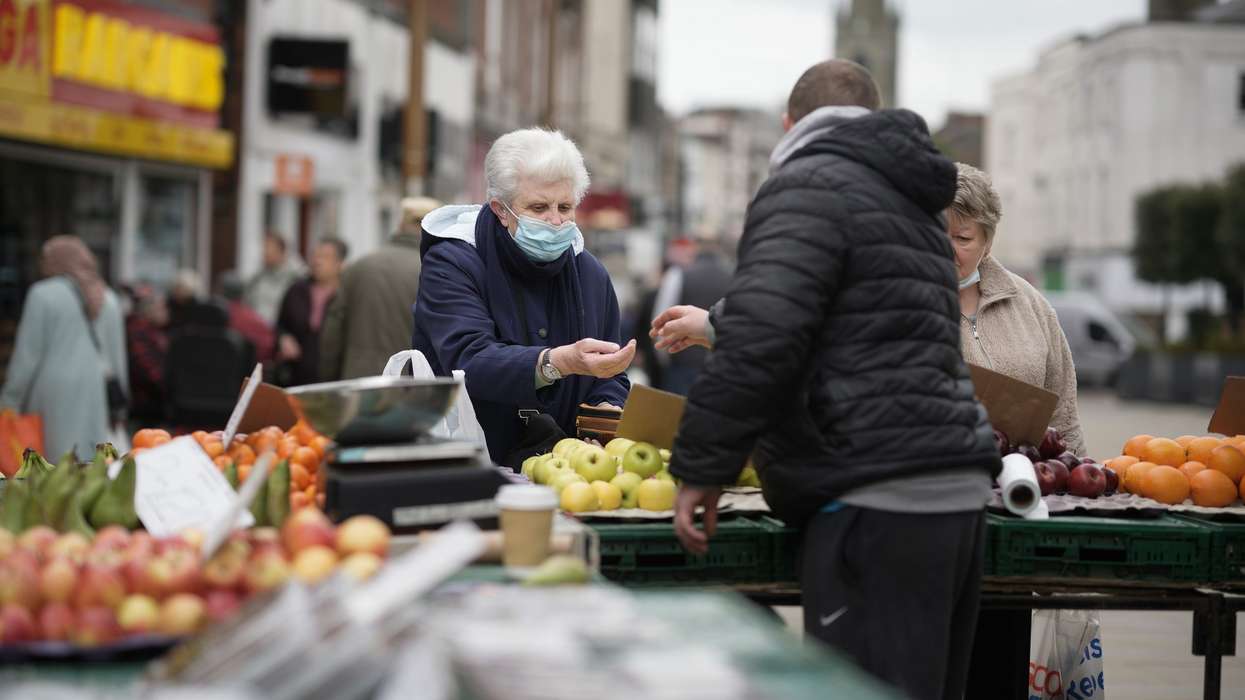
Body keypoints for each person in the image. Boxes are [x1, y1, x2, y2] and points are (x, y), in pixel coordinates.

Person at [654, 60, 1000, 700]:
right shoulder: (917, 205)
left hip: (873, 496)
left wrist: (702, 467)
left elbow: (766, 337)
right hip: (954, 494)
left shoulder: (806, 184)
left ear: (791, 125)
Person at [413, 128, 634, 467]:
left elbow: (610, 375)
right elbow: (468, 360)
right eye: (539, 207)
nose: (556, 221)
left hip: (568, 471)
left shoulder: (591, 274)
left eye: (565, 206)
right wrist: (558, 362)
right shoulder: (453, 263)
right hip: (468, 465)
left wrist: (604, 411)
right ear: (501, 210)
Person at [949, 163, 1086, 455]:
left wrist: (1076, 482)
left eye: (962, 238)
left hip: (1028, 486)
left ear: (988, 243)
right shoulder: (901, 304)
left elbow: (1065, 418)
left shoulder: (1031, 304)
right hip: (943, 485)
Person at [1, 237, 129, 458]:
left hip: (52, 393)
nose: (42, 264)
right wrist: (121, 405)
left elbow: (27, 357)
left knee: (52, 466)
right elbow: (117, 359)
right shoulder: (108, 298)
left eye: (45, 258)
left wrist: (9, 401)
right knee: (92, 463)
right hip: (96, 390)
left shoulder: (42, 294)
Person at [320, 196, 441, 381]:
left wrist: (328, 377)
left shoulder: (359, 266)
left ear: (401, 224)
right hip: (412, 384)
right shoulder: (436, 272)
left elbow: (333, 333)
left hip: (359, 381)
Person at [650, 237, 733, 395]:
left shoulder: (679, 274)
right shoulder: (733, 275)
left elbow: (662, 317)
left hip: (682, 363)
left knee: (676, 417)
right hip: (721, 365)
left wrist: (663, 357)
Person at [274, 238, 347, 387]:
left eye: (325, 257)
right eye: (315, 256)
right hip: (296, 377)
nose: (317, 261)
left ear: (340, 264)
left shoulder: (346, 295)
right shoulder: (296, 290)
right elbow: (280, 325)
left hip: (335, 379)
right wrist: (284, 339)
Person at [125, 286, 170, 424]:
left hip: (153, 398)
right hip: (145, 402)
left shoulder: (153, 331)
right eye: (161, 308)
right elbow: (148, 369)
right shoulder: (139, 332)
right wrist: (170, 387)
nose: (167, 312)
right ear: (149, 310)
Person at [246, 232, 304, 325]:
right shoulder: (257, 278)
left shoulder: (296, 277)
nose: (264, 252)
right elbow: (248, 304)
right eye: (264, 248)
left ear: (281, 252)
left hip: (281, 333)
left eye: (269, 248)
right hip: (257, 331)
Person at [217, 270, 275, 364]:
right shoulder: (254, 320)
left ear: (220, 291)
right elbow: (268, 347)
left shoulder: (210, 317)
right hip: (244, 373)